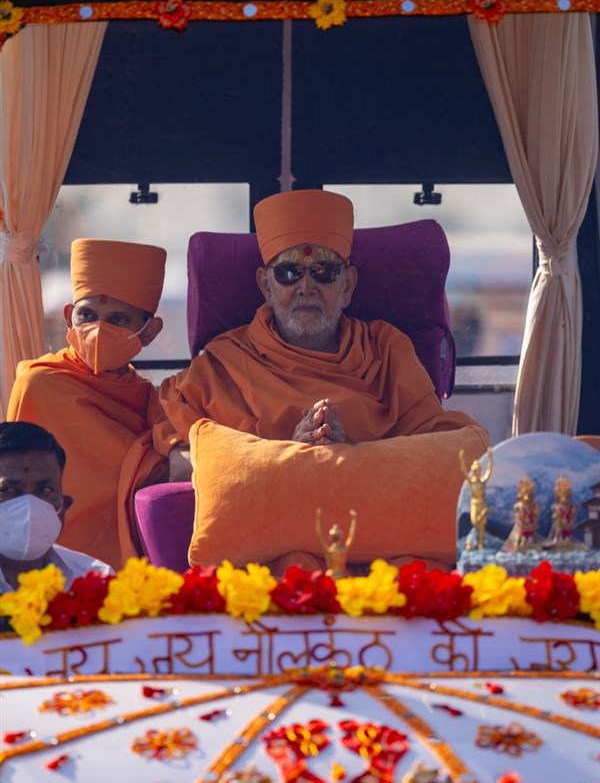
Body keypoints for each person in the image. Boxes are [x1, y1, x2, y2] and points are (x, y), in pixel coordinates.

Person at [153, 190, 488, 571]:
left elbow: (440, 449)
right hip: (268, 556)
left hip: (378, 548)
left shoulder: (386, 350)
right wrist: (289, 456)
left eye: (324, 272)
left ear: (347, 286)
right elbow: (179, 460)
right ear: (266, 285)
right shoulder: (224, 362)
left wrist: (349, 458)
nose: (306, 287)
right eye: (289, 272)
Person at [7, 239, 168, 569]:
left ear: (149, 331)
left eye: (118, 320)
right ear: (69, 317)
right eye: (88, 315)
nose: (98, 330)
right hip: (39, 563)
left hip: (122, 573)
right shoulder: (40, 384)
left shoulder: (149, 398)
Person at [0, 421, 112, 592]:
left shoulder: (96, 581)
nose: (29, 506)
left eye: (44, 490)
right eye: (9, 490)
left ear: (64, 505)